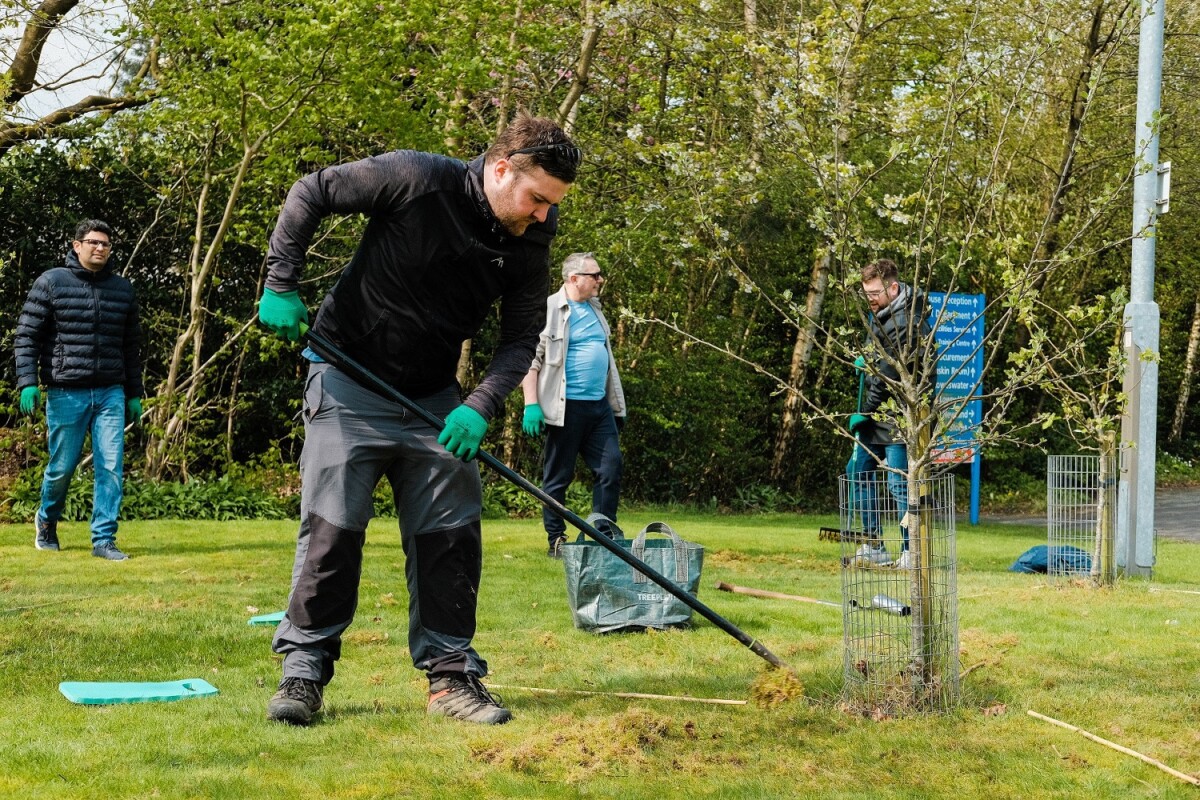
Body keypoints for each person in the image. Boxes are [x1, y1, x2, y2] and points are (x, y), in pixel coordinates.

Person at [256, 115, 580, 727]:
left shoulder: (531, 236)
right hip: (347, 378)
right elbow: (312, 191)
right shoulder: (414, 177)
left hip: (433, 399)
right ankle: (303, 673)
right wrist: (281, 282)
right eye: (537, 199)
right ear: (501, 168)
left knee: (450, 536)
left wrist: (479, 404)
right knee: (333, 530)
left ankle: (451, 678)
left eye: (552, 205)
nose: (543, 216)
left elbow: (520, 339)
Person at [14, 220, 144, 561]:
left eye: (105, 243)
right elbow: (27, 335)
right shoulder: (52, 282)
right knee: (62, 467)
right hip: (65, 391)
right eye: (93, 242)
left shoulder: (122, 289)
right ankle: (46, 521)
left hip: (110, 392)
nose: (100, 248)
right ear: (76, 245)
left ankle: (103, 540)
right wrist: (28, 382)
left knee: (111, 467)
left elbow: (131, 346)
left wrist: (134, 392)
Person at [520, 252, 626, 558]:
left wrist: (616, 405)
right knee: (558, 477)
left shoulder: (595, 308)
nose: (600, 280)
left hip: (598, 407)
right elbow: (531, 359)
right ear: (574, 278)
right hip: (564, 408)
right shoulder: (550, 309)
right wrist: (531, 405)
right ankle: (556, 539)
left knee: (611, 467)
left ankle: (604, 536)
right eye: (595, 275)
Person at [847, 258, 930, 570]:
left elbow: (888, 375)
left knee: (899, 483)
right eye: (866, 293)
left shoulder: (908, 321)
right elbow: (877, 357)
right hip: (876, 411)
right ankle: (872, 545)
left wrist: (865, 412)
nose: (870, 299)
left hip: (898, 413)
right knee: (858, 471)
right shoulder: (881, 313)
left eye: (875, 293)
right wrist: (865, 356)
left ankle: (911, 552)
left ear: (894, 288)